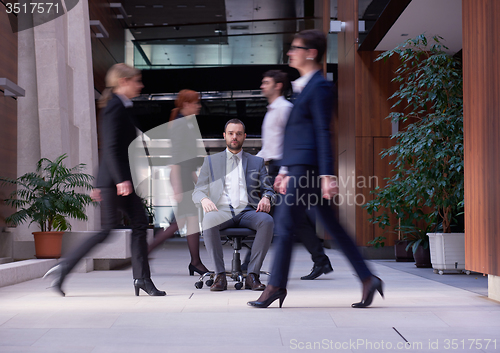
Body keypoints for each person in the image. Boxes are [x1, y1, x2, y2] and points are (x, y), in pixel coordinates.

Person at [248, 29, 383, 309]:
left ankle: (275, 286)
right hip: (298, 167)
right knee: (332, 225)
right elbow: (298, 134)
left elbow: (323, 131)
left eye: (295, 47)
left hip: (307, 169)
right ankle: (368, 278)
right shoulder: (306, 87)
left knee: (284, 225)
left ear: (311, 53)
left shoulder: (319, 87)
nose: (290, 52)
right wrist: (284, 169)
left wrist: (327, 175)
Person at [43, 63, 166, 297]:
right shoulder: (114, 107)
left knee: (135, 225)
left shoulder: (124, 107)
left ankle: (141, 278)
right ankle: (64, 268)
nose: (140, 85)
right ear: (124, 81)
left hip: (115, 180)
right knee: (114, 228)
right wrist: (117, 180)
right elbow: (109, 147)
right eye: (136, 80)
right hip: (116, 181)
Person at [258, 69, 333, 280]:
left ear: (278, 85)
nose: (262, 86)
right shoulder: (272, 110)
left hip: (286, 168)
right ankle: (321, 260)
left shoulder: (285, 109)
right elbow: (269, 147)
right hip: (274, 168)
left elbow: (291, 143)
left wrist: (284, 172)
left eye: (266, 82)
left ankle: (251, 265)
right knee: (292, 216)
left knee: (283, 216)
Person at [192, 119, 275, 291]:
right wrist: (204, 199)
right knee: (209, 220)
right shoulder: (210, 162)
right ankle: (220, 276)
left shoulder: (256, 162)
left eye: (238, 133)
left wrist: (266, 197)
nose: (234, 137)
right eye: (231, 133)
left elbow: (269, 188)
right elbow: (197, 190)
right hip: (221, 211)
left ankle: (252, 275)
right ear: (224, 136)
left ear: (244, 136)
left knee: (267, 221)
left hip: (248, 211)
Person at [147, 89, 209, 276]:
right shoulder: (181, 125)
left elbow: (187, 159)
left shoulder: (186, 124)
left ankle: (195, 262)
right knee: (183, 222)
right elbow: (175, 159)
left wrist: (197, 182)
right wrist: (177, 187)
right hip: (179, 177)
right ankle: (195, 262)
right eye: (195, 103)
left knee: (185, 222)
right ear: (185, 104)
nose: (198, 106)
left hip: (185, 176)